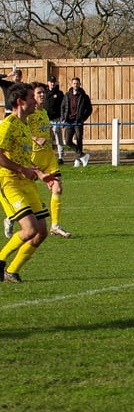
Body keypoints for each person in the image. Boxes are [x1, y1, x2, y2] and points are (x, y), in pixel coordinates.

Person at [0, 82, 53, 283]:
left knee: (41, 233)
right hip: (9, 182)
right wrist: (21, 170)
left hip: (27, 183)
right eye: (32, 98)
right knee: (30, 229)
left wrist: (39, 173)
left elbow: (22, 157)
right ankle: (0, 259)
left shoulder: (24, 125)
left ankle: (11, 271)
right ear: (21, 102)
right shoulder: (8, 125)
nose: (35, 102)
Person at [27, 82, 71, 238]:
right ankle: (12, 217)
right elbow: (22, 132)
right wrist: (35, 138)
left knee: (58, 188)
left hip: (48, 157)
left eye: (43, 93)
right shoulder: (28, 114)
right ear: (32, 95)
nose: (42, 95)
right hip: (33, 158)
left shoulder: (44, 112)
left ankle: (55, 225)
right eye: (39, 93)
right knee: (26, 194)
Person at [61, 76, 93, 167]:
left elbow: (89, 109)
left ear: (80, 84)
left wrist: (83, 118)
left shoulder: (84, 96)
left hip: (78, 121)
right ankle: (83, 155)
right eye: (74, 83)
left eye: (77, 83)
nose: (75, 85)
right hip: (69, 121)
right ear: (72, 84)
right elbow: (62, 107)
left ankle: (77, 160)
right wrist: (63, 117)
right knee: (68, 141)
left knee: (79, 140)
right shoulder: (67, 95)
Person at [45, 75, 66, 165]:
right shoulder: (44, 93)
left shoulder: (59, 93)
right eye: (51, 82)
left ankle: (60, 157)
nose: (52, 84)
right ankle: (49, 157)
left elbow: (64, 106)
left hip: (56, 119)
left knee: (58, 137)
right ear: (48, 83)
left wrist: (62, 117)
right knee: (47, 139)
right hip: (46, 119)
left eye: (53, 82)